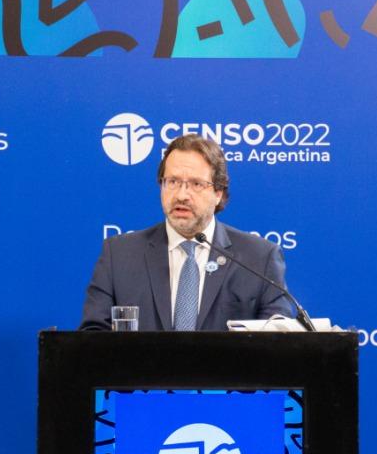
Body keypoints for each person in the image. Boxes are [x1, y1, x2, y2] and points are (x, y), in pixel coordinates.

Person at [79, 134, 291, 331]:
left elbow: (278, 341)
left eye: (196, 184)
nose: (181, 195)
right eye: (172, 182)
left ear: (218, 192)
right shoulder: (119, 254)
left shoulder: (259, 259)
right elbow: (92, 338)